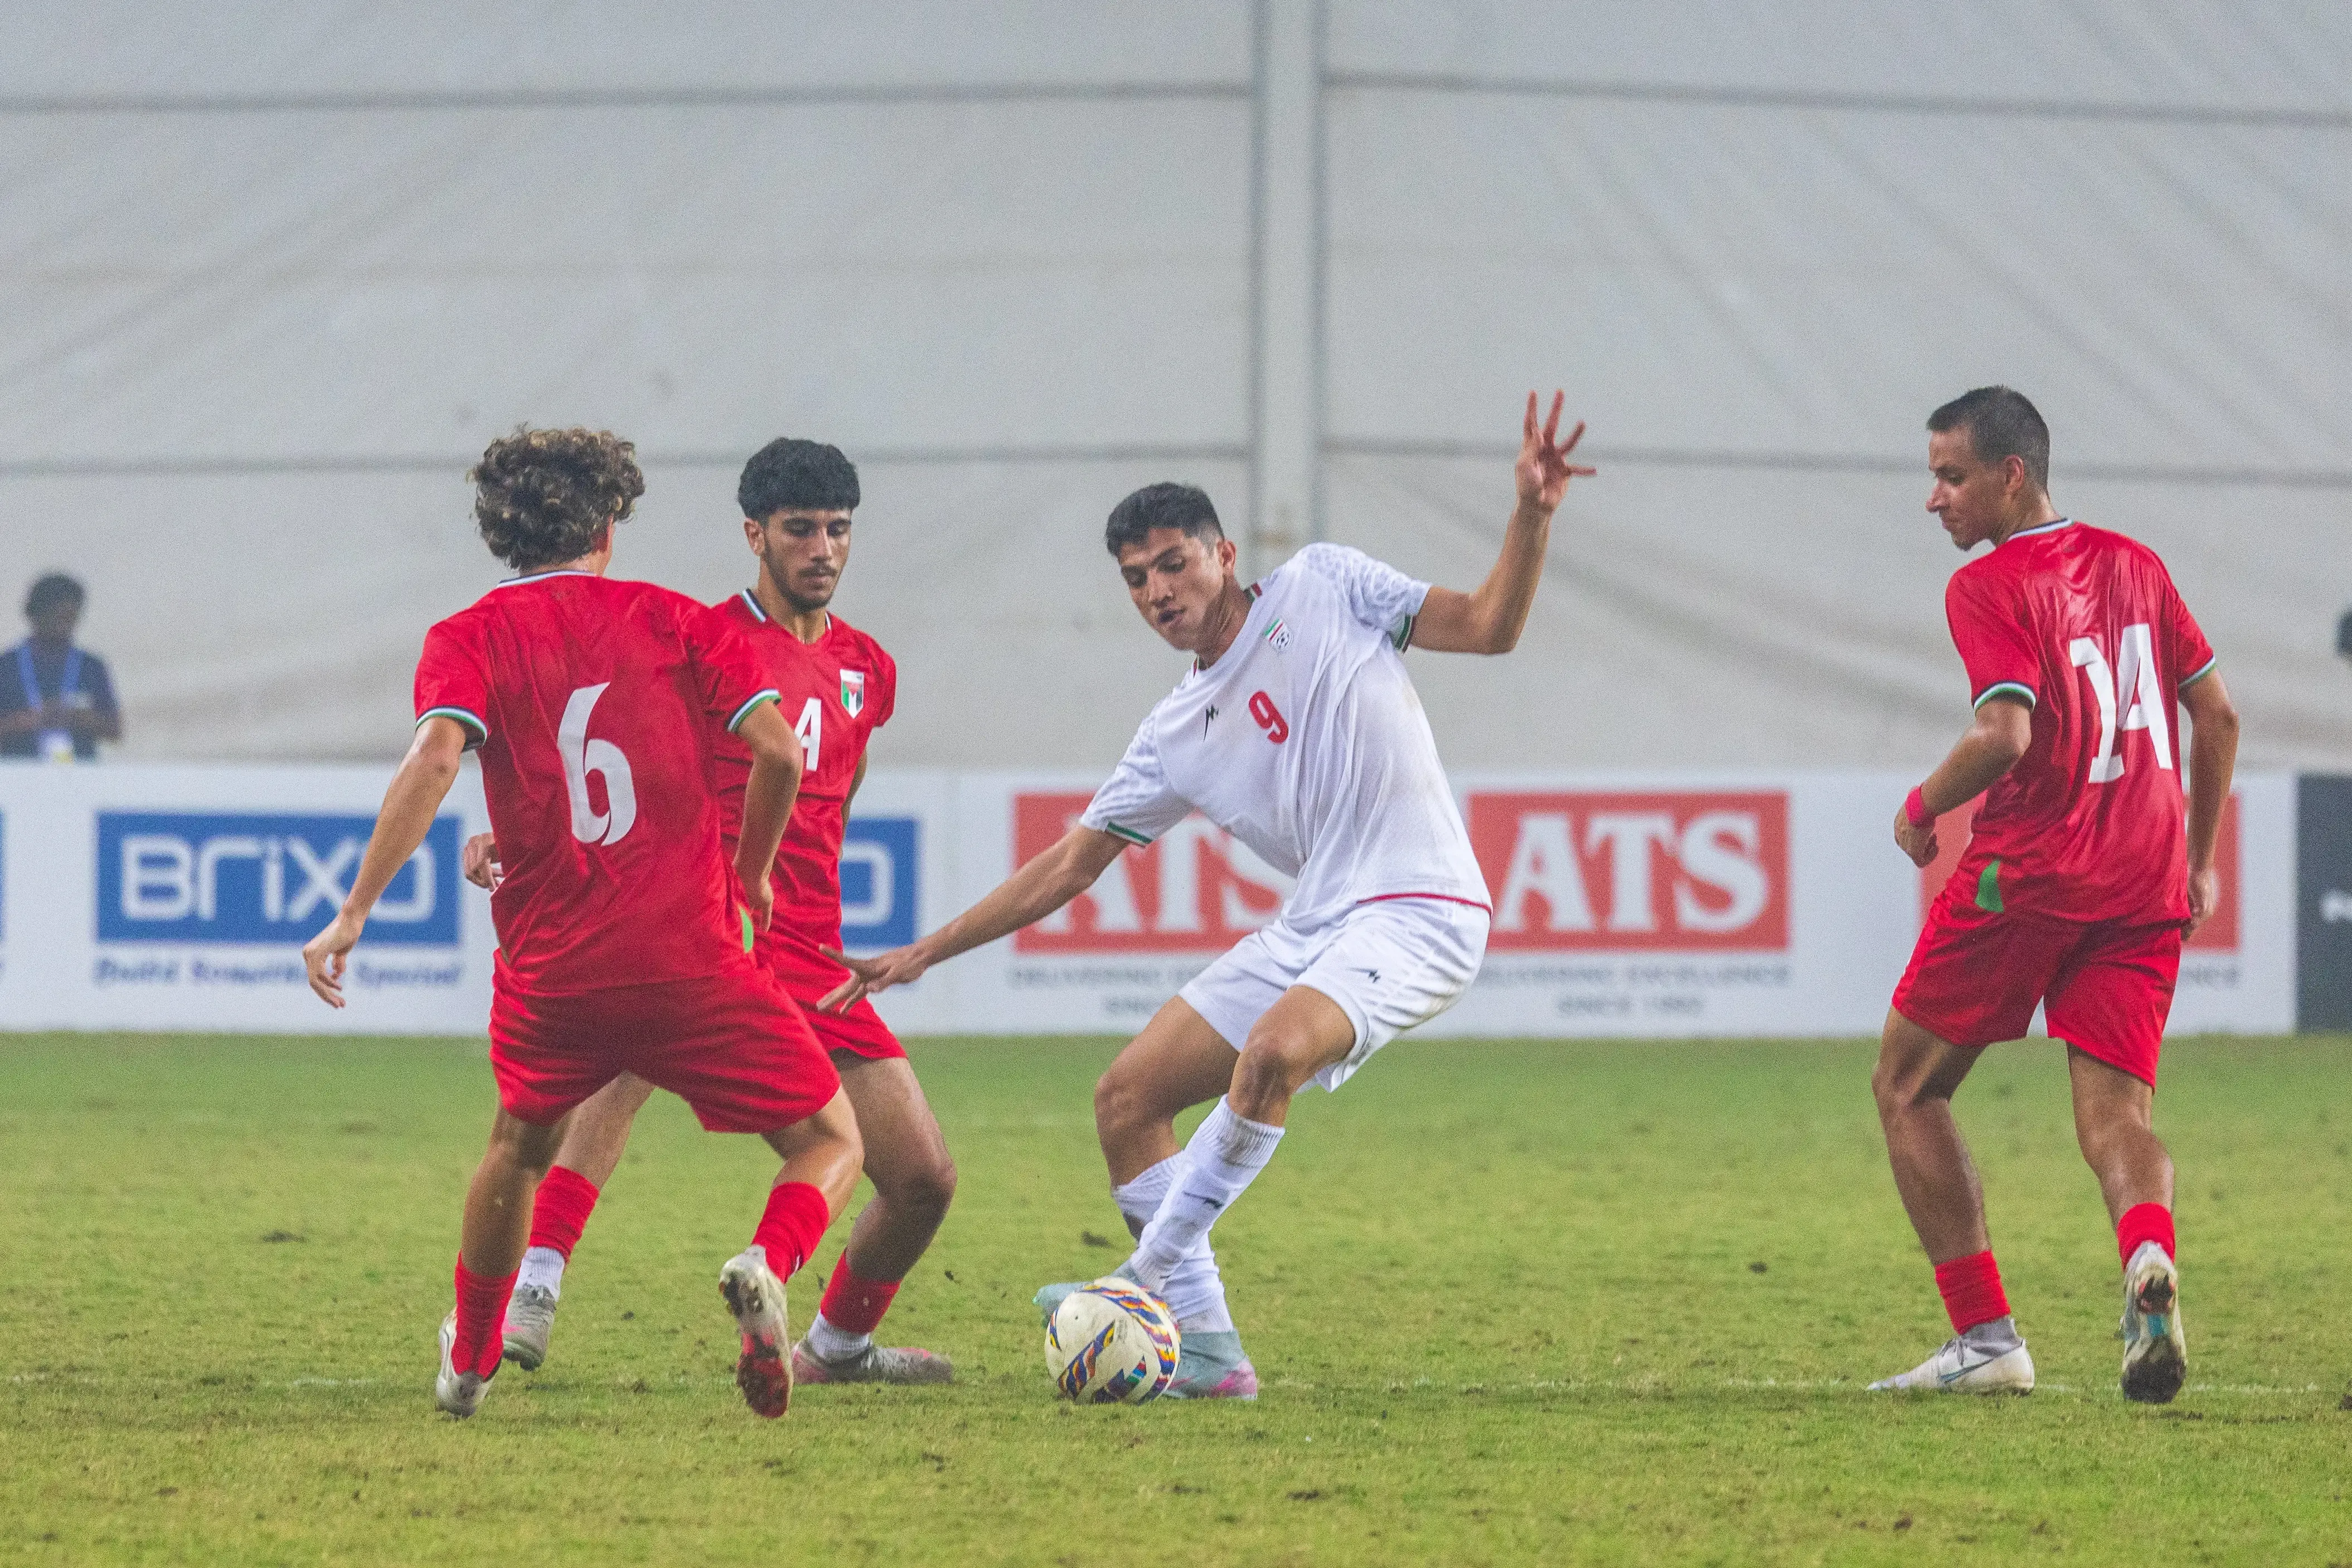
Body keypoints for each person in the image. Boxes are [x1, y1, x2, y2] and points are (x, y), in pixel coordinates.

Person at [823, 393, 1593, 1398]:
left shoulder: (1323, 584)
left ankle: (1136, 1284)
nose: (1155, 589)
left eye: (1172, 562)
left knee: (1271, 1051)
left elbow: (1488, 627)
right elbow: (1068, 865)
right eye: (1135, 578)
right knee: (1127, 1097)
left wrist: (1530, 513)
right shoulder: (1174, 730)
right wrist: (923, 951)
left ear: (1224, 554)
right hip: (1317, 923)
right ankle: (1215, 1353)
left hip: (1424, 909)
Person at [301, 427, 863, 1421]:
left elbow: (436, 760)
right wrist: (752, 877)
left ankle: (469, 1358)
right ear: (609, 522)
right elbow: (777, 753)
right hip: (689, 959)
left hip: (552, 972)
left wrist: (352, 912)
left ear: (500, 531)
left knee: (516, 1146)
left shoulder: (468, 634)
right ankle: (764, 1261)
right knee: (826, 1138)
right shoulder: (677, 619)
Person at [478, 438, 956, 1387]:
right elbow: (597, 751)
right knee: (614, 1073)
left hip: (811, 949)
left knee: (920, 1178)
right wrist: (521, 836)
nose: (821, 548)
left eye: (837, 529)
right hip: (706, 917)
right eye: (799, 530)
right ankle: (535, 1282)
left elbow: (838, 794)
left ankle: (834, 1343)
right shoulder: (696, 637)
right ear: (754, 535)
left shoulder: (868, 669)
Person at [1870, 387, 2238, 1402]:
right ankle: (2144, 1260)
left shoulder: (1987, 586)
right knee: (2114, 1114)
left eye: (1949, 476)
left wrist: (1918, 805)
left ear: (2009, 475)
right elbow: (2214, 718)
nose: (1932, 499)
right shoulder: (2136, 563)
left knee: (1906, 1084)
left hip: (2029, 874)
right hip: (2145, 876)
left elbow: (2003, 733)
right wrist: (2198, 860)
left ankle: (1985, 1339)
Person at [1, 574, 122, 762]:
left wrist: (76, 718)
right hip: (19, 777)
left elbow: (115, 731)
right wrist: (32, 720)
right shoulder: (6, 667)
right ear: (37, 615)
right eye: (59, 618)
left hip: (78, 777)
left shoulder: (91, 667)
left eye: (72, 618)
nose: (67, 626)